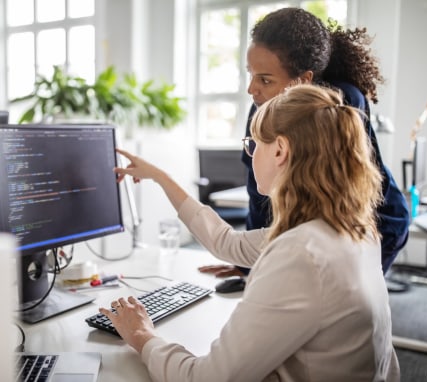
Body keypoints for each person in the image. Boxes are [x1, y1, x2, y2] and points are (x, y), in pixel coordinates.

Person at [100, 84, 400, 382]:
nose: (250, 155)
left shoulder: (302, 254)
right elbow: (227, 242)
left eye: (253, 144)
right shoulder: (349, 228)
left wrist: (142, 336)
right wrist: (161, 178)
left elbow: (207, 379)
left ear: (280, 150)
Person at [199, 7, 409, 278]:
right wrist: (248, 263)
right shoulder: (261, 107)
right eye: (250, 74)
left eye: (265, 79)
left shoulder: (340, 104)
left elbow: (336, 200)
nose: (252, 89)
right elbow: (259, 194)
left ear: (304, 79)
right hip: (314, 232)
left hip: (372, 225)